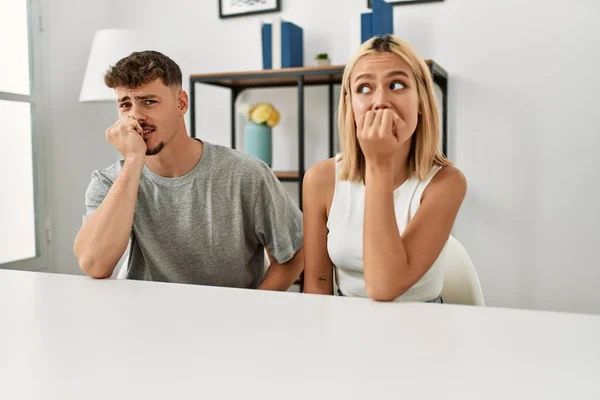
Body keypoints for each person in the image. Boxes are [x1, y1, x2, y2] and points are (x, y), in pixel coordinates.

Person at [74, 50, 304, 290]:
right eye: (125, 104)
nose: (135, 117)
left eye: (149, 102)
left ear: (181, 103)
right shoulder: (109, 181)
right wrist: (133, 161)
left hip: (228, 321)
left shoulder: (246, 174)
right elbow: (95, 264)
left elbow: (294, 253)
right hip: (145, 320)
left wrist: (251, 309)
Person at [302, 35, 466, 302]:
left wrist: (379, 162)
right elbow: (317, 285)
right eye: (364, 88)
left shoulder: (446, 184)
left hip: (422, 327)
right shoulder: (320, 180)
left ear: (422, 101)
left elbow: (384, 287)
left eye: (397, 85)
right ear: (350, 105)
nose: (380, 101)